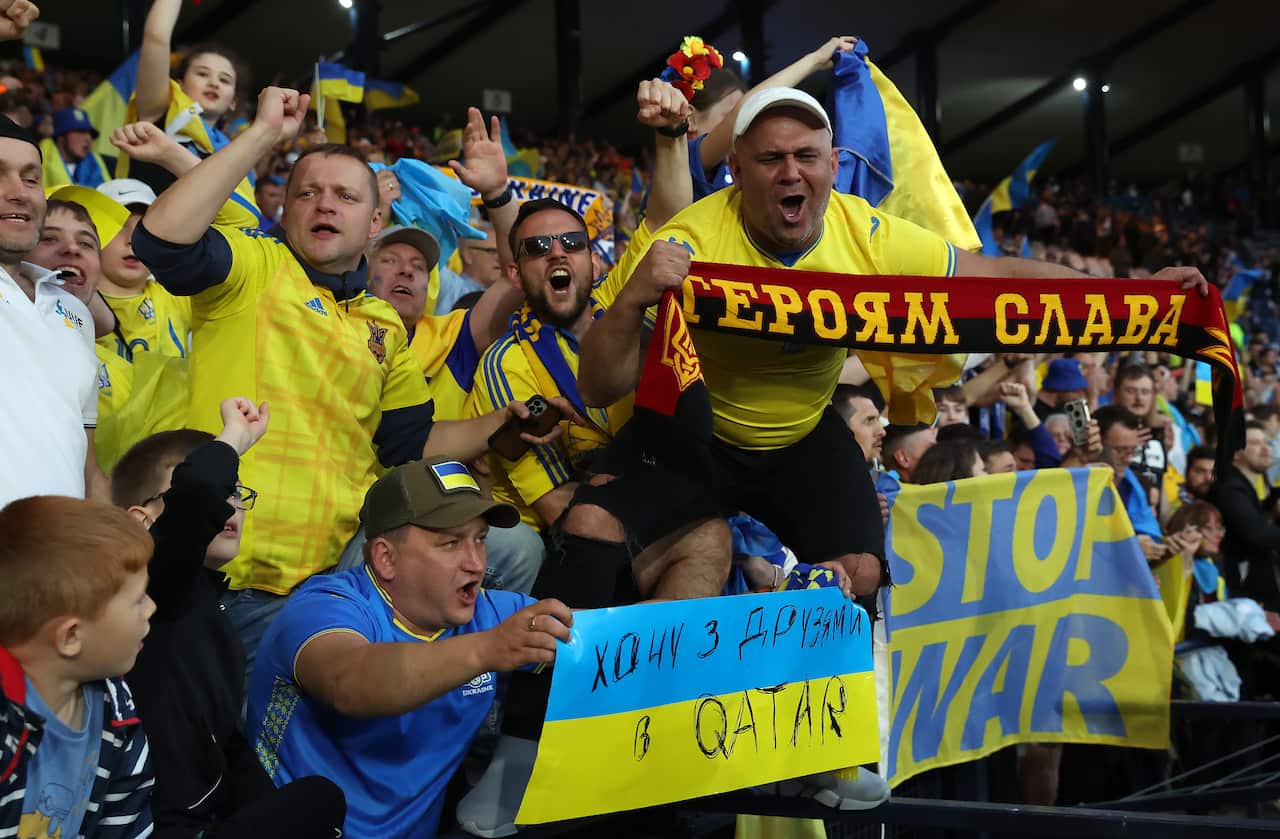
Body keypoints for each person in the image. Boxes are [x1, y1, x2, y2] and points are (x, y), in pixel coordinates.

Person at [131, 86, 576, 663]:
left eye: (344, 195)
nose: (324, 205)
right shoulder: (250, 269)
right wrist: (264, 134)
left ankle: (462, 717)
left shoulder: (382, 323)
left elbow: (411, 443)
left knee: (511, 547)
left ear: (374, 223)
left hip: (350, 567)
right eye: (308, 193)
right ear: (285, 212)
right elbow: (162, 237)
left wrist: (500, 422)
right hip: (242, 574)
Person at [246, 457, 572, 839]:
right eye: (450, 543)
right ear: (386, 557)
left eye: (480, 539)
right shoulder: (324, 608)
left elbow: (613, 639)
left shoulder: (488, 613)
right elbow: (350, 682)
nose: (476, 563)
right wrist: (487, 650)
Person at [110, 398, 346, 838]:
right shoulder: (149, 588)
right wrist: (235, 437)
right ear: (142, 521)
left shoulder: (207, 604)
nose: (229, 505)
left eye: (237, 493)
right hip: (161, 827)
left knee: (314, 803)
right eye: (222, 491)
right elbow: (198, 496)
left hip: (206, 819)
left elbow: (229, 746)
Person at [0, 495, 155, 838]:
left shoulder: (116, 708)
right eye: (138, 600)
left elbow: (126, 822)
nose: (152, 608)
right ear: (71, 636)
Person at [0, 116, 105, 507]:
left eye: (31, 179)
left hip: (61, 558)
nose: (20, 193)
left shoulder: (75, 315)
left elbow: (87, 466)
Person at [1209, 422, 1280, 611]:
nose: (1265, 449)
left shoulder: (1242, 486)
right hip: (1240, 593)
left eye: (1267, 443)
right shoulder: (1229, 489)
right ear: (1236, 451)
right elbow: (1256, 532)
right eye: (1255, 443)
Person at [436, 221, 502, 314]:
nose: (499, 258)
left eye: (501, 253)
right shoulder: (451, 286)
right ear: (468, 255)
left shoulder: (506, 297)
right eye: (492, 251)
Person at [41, 108, 110, 188]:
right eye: (81, 131)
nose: (88, 138)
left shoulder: (96, 163)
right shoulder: (40, 165)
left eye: (91, 134)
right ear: (61, 137)